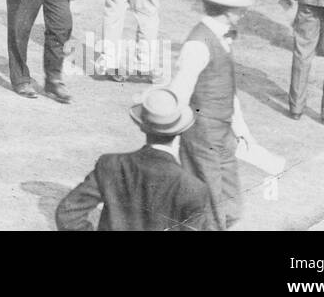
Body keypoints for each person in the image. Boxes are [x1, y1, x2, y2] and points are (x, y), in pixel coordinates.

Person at [55, 87, 216, 231]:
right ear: (180, 132)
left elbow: (68, 213)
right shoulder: (193, 187)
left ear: (142, 126)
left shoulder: (111, 165)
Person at [169, 0, 254, 230]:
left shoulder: (221, 37)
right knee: (208, 208)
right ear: (228, 12)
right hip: (202, 136)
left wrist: (241, 129)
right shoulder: (198, 43)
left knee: (230, 205)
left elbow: (227, 88)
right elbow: (180, 93)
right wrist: (171, 139)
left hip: (223, 133)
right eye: (239, 9)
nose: (242, 13)